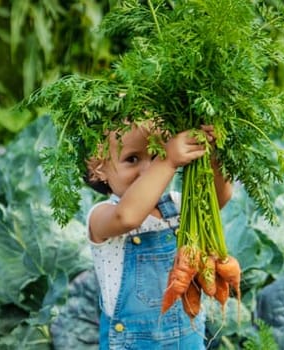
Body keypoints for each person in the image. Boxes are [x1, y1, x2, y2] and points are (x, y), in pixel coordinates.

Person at [82, 122, 231, 349]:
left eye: (155, 155)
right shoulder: (103, 216)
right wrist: (167, 160)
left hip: (187, 337)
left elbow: (217, 200)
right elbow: (128, 217)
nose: (148, 169)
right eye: (132, 159)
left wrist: (212, 152)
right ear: (98, 170)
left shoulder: (177, 204)